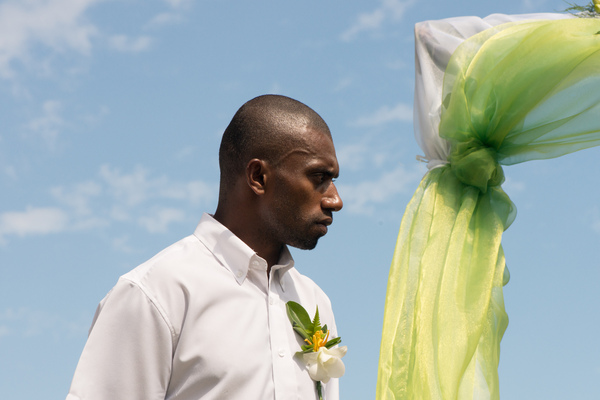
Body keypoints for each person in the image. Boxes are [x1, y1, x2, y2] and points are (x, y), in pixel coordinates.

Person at [66, 94, 344, 400]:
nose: (335, 200)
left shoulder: (315, 302)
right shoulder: (157, 293)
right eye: (319, 177)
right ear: (258, 177)